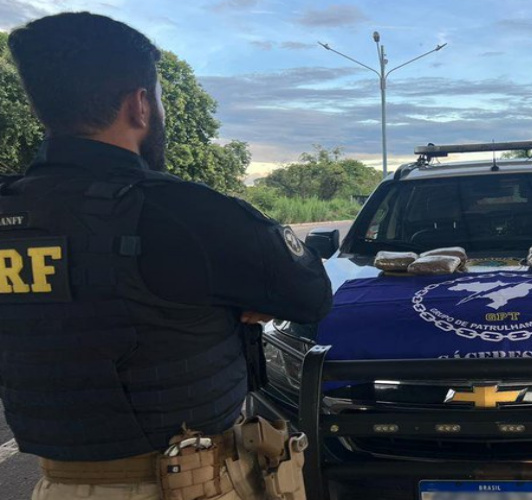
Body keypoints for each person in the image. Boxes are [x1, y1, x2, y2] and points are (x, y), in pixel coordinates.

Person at [0, 12, 332, 500]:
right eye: (158, 98)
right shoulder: (184, 212)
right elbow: (310, 296)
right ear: (139, 105)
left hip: (57, 484)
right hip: (190, 483)